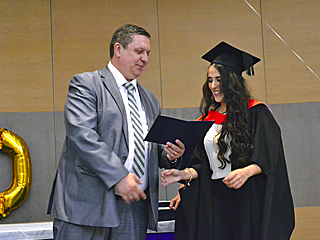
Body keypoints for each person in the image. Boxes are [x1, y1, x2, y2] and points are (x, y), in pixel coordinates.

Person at [47, 24, 185, 240]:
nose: (145, 59)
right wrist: (119, 177)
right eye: (139, 52)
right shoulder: (86, 84)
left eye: (148, 53)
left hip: (132, 209)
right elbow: (82, 135)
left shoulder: (150, 99)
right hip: (86, 207)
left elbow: (151, 148)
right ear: (118, 49)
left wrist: (170, 156)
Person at [161, 42, 295, 240]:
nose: (214, 86)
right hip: (213, 199)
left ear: (232, 81)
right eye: (210, 80)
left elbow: (270, 155)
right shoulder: (206, 120)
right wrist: (180, 175)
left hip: (245, 198)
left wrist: (246, 171)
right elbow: (201, 165)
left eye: (219, 80)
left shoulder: (256, 113)